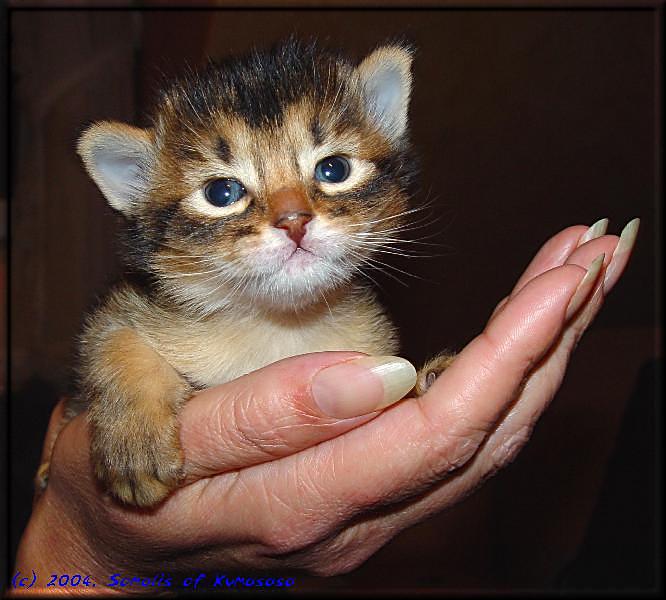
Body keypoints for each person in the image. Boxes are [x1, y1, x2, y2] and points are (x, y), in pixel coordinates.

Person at [10, 219, 639, 594]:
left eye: (331, 171)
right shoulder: (164, 322)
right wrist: (85, 546)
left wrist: (421, 394)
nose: (293, 217)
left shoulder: (366, 334)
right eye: (227, 190)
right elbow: (117, 334)